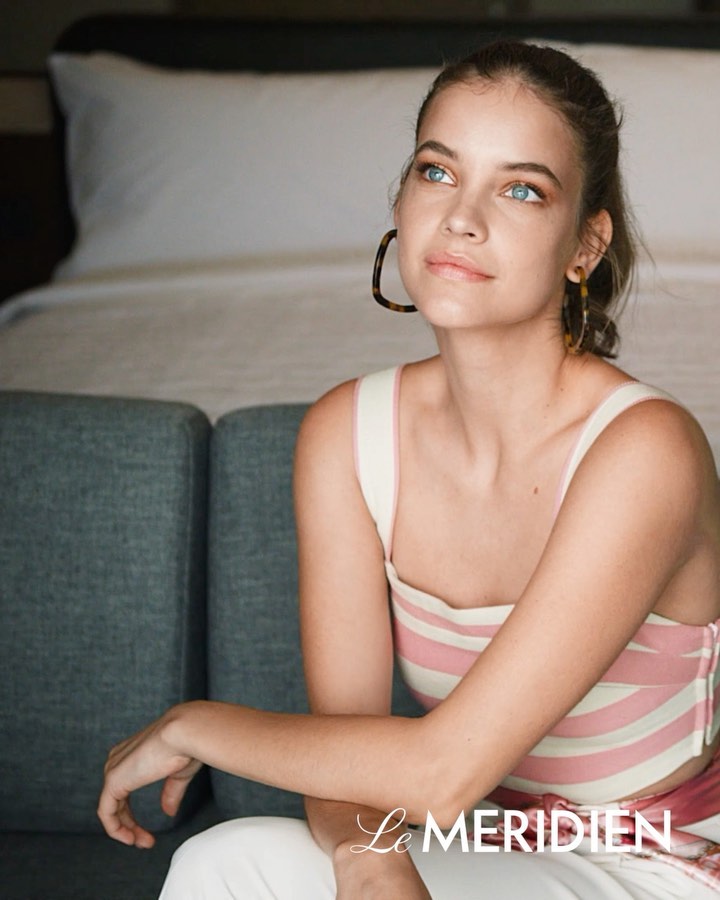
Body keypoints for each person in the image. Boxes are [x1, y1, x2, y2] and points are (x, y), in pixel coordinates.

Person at [98, 41, 720, 898]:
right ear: (402, 196)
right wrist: (368, 859)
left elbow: (440, 773)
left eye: (521, 189)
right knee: (222, 860)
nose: (462, 218)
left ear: (586, 244)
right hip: (489, 851)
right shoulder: (346, 436)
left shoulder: (647, 451)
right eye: (437, 172)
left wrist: (192, 725)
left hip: (663, 868)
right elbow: (347, 754)